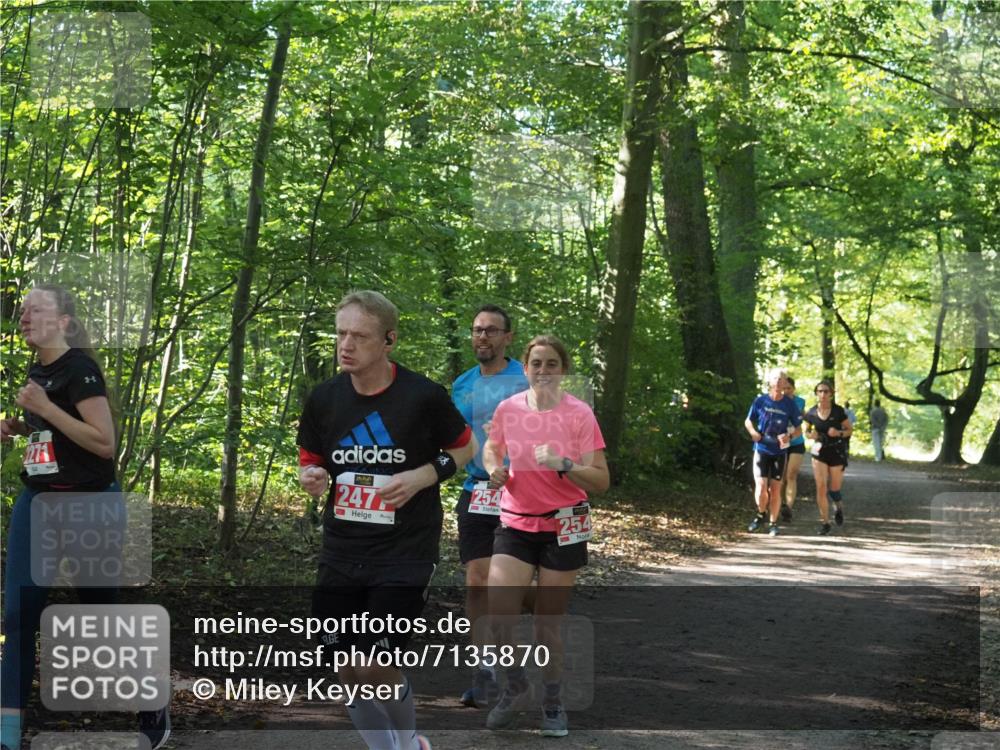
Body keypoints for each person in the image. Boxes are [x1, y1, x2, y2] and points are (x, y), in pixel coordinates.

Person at [297, 291, 475, 750]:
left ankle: (408, 739)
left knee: (376, 662)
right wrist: (312, 475)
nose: (346, 345)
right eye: (340, 333)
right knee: (343, 665)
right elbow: (312, 457)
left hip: (405, 549)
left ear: (389, 340)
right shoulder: (324, 398)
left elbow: (464, 448)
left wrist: (421, 476)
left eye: (359, 335)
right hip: (342, 547)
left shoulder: (423, 396)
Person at [0, 285, 170, 750]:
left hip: (88, 506)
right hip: (37, 504)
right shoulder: (41, 369)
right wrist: (19, 426)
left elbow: (103, 443)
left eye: (37, 309)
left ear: (65, 323)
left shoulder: (81, 369)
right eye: (23, 309)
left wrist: (44, 408)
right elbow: (56, 432)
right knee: (18, 615)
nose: (25, 315)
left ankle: (152, 700)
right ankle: (8, 734)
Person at [482, 335, 609, 738]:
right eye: (536, 363)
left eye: (551, 364)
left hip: (563, 527)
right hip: (516, 522)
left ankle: (552, 701)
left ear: (563, 370)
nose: (543, 371)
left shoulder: (579, 414)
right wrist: (493, 469)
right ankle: (516, 685)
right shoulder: (508, 409)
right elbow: (491, 447)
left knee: (545, 627)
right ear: (524, 368)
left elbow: (602, 480)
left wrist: (564, 463)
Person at [451, 304, 528, 708]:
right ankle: (486, 670)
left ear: (508, 338)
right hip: (478, 490)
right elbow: (453, 440)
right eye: (478, 330)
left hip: (523, 493)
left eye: (492, 331)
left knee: (509, 588)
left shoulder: (525, 379)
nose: (483, 337)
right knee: (477, 581)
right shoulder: (462, 385)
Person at [744, 368, 802, 537]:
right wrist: (753, 433)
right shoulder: (760, 401)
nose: (778, 381)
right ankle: (760, 514)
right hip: (761, 448)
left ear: (785, 384)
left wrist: (789, 436)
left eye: (781, 379)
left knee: (775, 489)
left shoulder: (789, 404)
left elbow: (799, 429)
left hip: (779, 451)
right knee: (761, 487)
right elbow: (748, 420)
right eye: (775, 378)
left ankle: (773, 523)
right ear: (770, 381)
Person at [803, 380, 852, 535]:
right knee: (821, 486)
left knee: (834, 489)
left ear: (831, 394)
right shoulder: (810, 413)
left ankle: (838, 506)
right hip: (819, 452)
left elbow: (849, 430)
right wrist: (812, 435)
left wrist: (838, 433)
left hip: (836, 451)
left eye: (826, 391)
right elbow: (807, 432)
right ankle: (825, 522)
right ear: (816, 393)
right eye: (820, 391)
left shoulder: (838, 411)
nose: (823, 394)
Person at [779, 376, 807, 523]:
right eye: (784, 388)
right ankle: (781, 505)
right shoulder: (777, 401)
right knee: (781, 477)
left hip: (796, 441)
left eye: (789, 388)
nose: (786, 391)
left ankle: (788, 508)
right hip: (781, 442)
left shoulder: (800, 401)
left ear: (793, 388)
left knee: (791, 474)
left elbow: (805, 418)